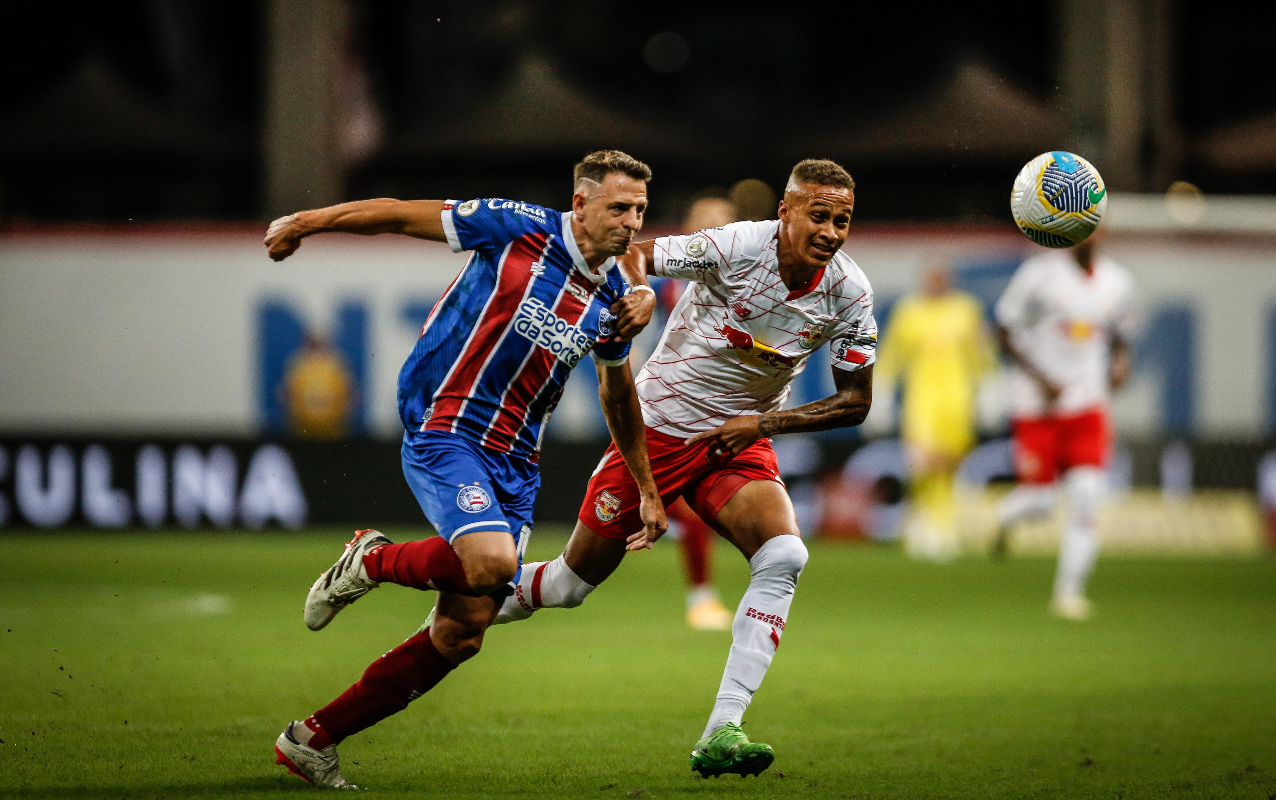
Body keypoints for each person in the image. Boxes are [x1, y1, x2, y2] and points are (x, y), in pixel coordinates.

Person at [261, 150, 668, 787]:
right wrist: (306, 221)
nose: (630, 221)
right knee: (493, 564)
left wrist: (646, 484)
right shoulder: (516, 226)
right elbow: (397, 215)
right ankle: (370, 561)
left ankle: (312, 740)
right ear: (581, 203)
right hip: (446, 424)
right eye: (618, 207)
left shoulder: (616, 297)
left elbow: (618, 395)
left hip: (517, 460)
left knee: (462, 632)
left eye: (640, 209)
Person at [481, 159, 876, 777]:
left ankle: (724, 730)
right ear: (786, 214)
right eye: (818, 216)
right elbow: (638, 253)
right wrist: (637, 294)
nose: (829, 231)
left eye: (842, 220)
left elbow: (857, 402)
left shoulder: (850, 292)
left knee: (785, 557)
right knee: (568, 586)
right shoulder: (738, 245)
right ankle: (460, 602)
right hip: (660, 427)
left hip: (735, 439)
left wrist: (762, 423)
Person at [992, 231, 1135, 620]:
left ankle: (1069, 593)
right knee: (1041, 503)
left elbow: (1120, 334)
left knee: (1088, 496)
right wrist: (1041, 380)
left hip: (1088, 403)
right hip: (1037, 406)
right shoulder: (1038, 276)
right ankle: (1005, 515)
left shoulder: (1117, 282)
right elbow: (1004, 329)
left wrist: (1120, 364)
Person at [874, 261, 994, 560]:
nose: (937, 281)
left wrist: (991, 389)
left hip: (957, 400)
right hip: (921, 401)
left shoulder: (966, 310)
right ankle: (923, 523)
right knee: (922, 461)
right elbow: (892, 356)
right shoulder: (909, 312)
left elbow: (982, 353)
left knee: (950, 465)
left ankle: (945, 526)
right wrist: (883, 394)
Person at [667, 193, 738, 630]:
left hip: (721, 408)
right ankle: (702, 596)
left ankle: (706, 597)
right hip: (666, 407)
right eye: (705, 223)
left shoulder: (751, 277)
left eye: (724, 223)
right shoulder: (666, 280)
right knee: (682, 507)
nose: (714, 230)